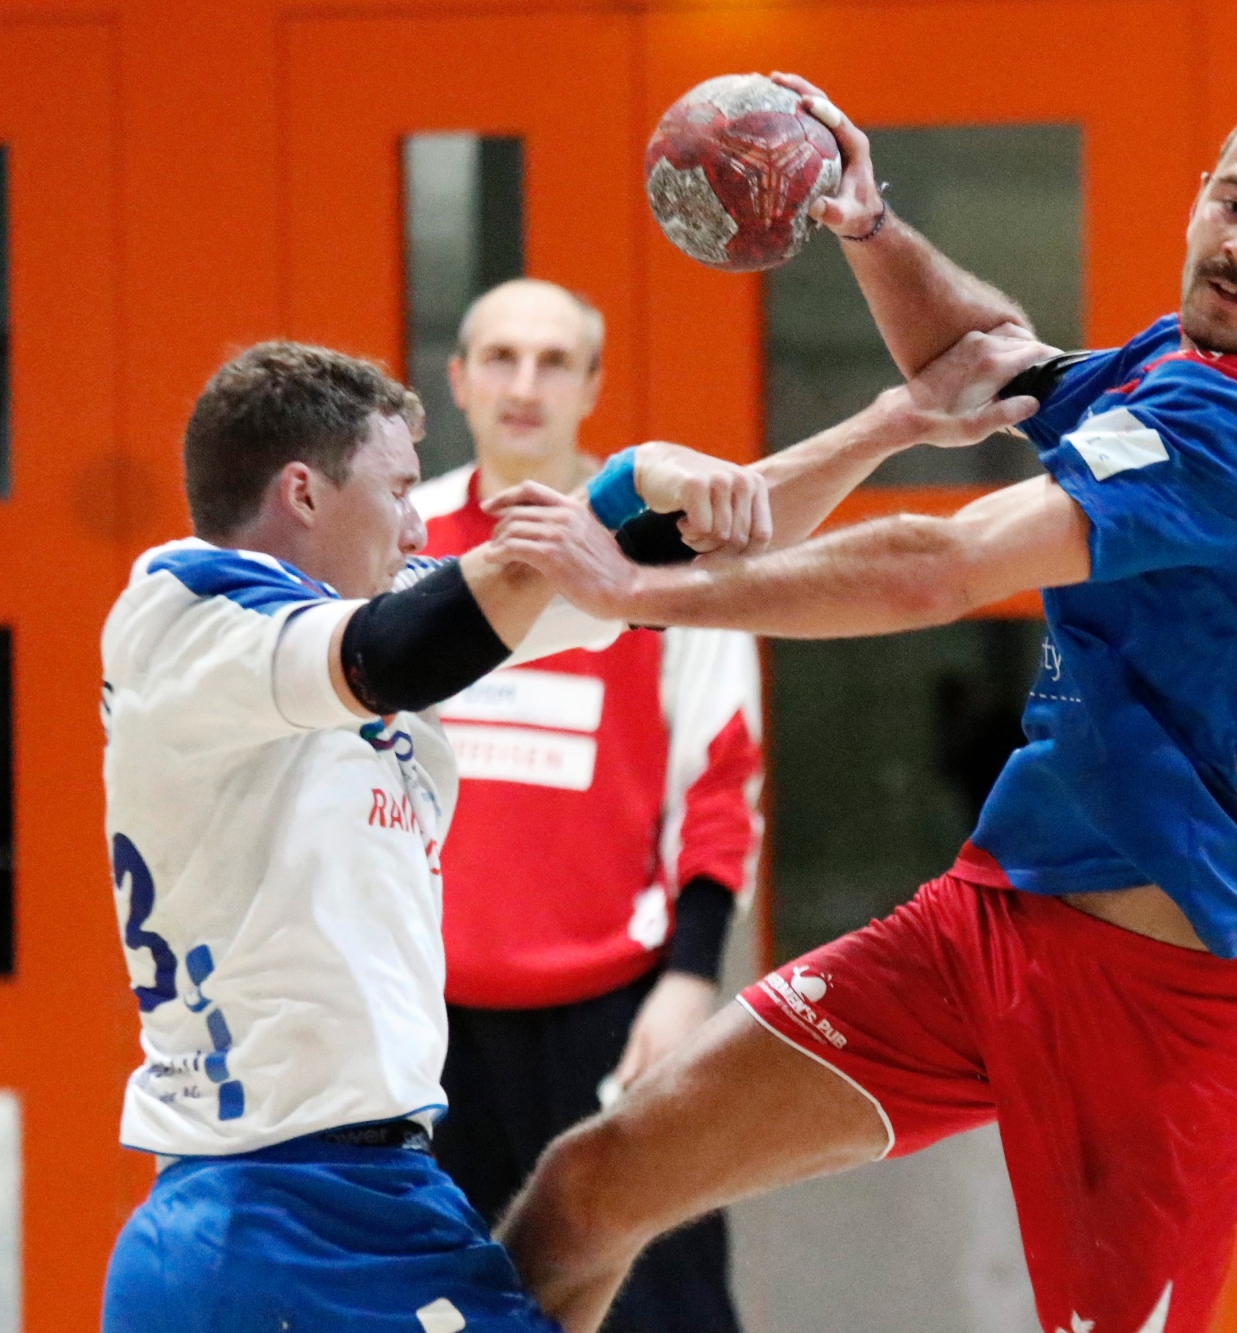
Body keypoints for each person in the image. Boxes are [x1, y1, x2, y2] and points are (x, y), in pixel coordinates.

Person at [488, 78, 1237, 1333]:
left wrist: (640, 590)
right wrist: (868, 225)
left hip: (1169, 1013)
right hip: (987, 932)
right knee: (591, 1186)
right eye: (1233, 203)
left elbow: (938, 568)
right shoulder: (1177, 363)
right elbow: (984, 366)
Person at [95, 332, 1039, 1331]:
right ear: (303, 493)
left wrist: (888, 426)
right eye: (399, 487)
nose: (416, 520)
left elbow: (683, 560)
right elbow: (407, 648)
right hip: (282, 1220)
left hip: (334, 1199)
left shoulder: (349, 622)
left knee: (587, 1210)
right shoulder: (189, 609)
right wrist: (628, 479)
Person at [413, 278, 762, 1333]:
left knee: (659, 1306)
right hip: (420, 1026)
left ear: (592, 385)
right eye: (502, 358)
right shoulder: (399, 543)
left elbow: (720, 771)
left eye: (553, 360)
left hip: (613, 1018)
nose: (525, 385)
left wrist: (691, 974)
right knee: (442, 1306)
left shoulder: (661, 565)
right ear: (460, 381)